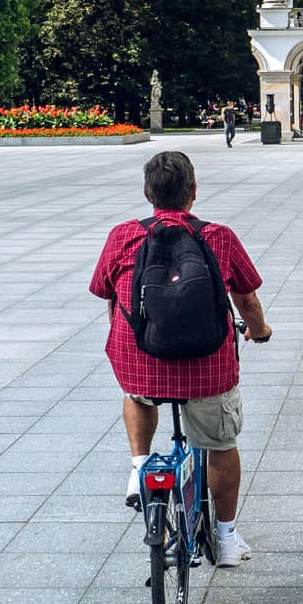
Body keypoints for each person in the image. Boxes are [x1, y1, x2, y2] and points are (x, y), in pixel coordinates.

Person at [90, 151, 272, 567]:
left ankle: (139, 466)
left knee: (137, 394)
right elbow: (245, 297)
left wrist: (128, 339)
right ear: (193, 192)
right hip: (207, 370)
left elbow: (108, 293)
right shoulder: (220, 237)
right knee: (222, 443)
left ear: (147, 193)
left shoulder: (122, 236)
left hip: (142, 363)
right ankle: (225, 539)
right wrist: (259, 330)